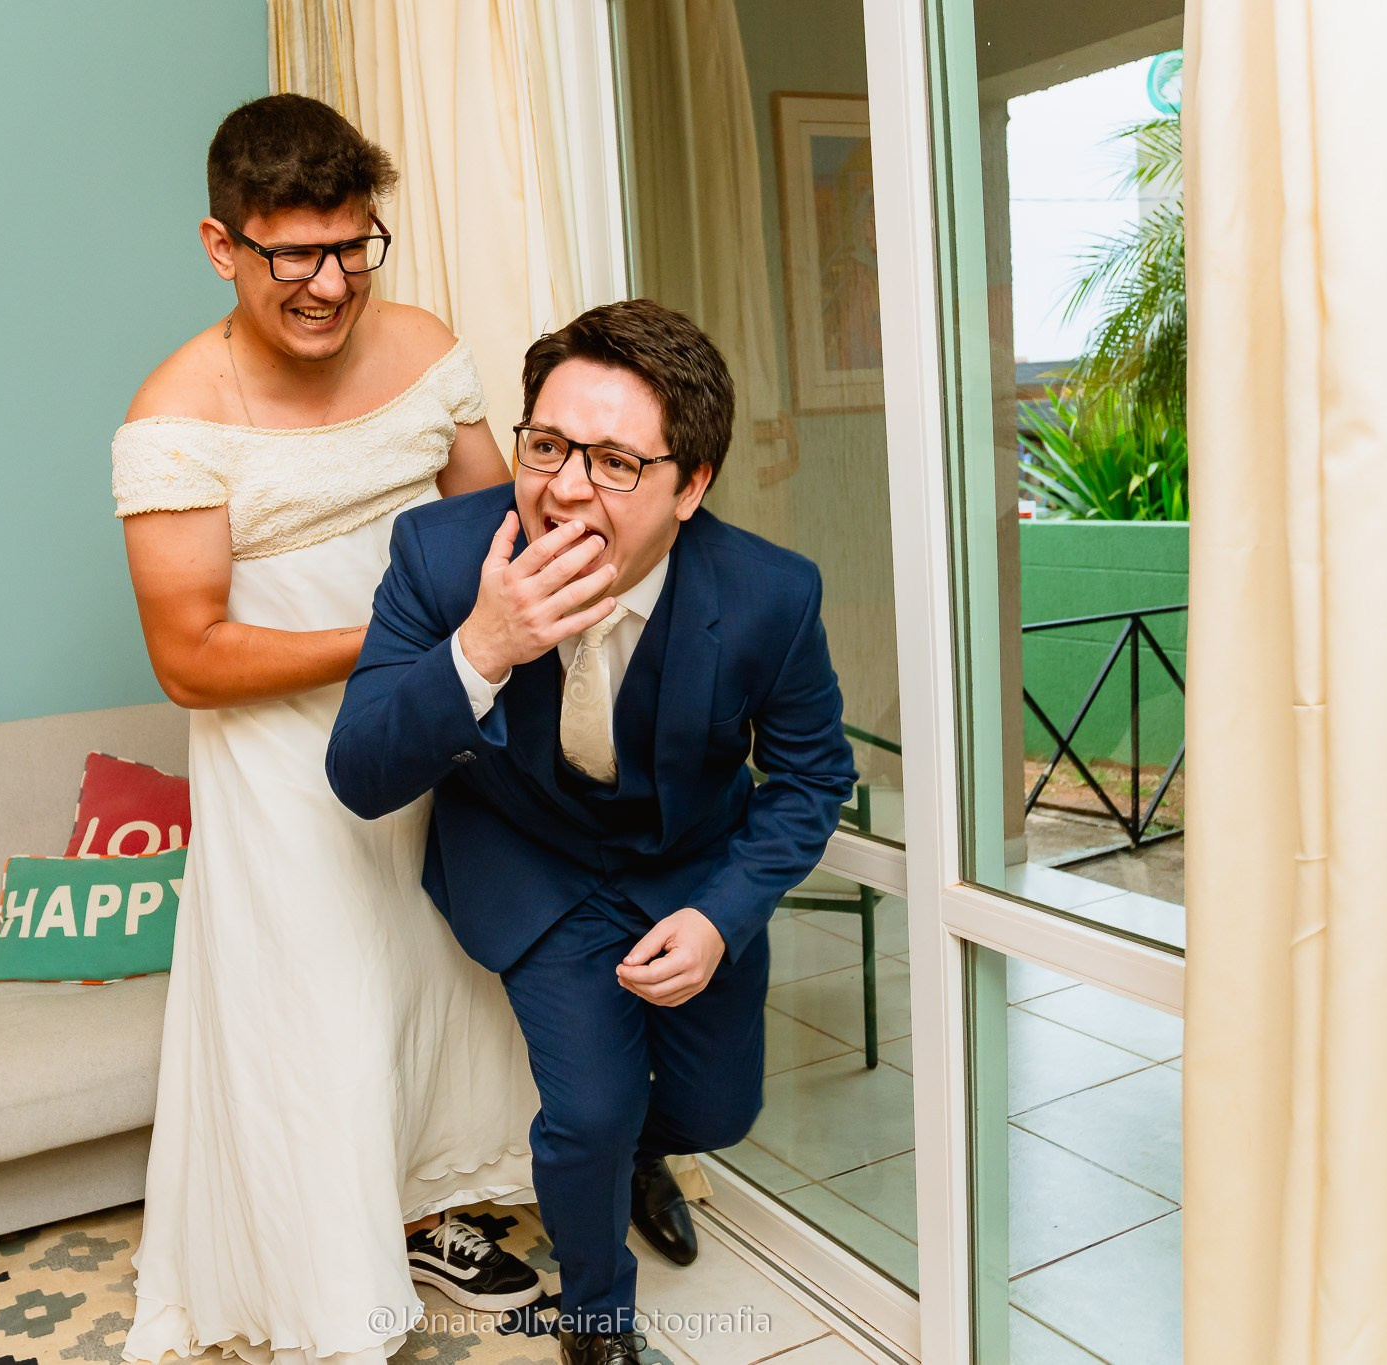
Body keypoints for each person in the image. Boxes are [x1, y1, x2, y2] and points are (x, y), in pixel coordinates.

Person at [325, 300, 859, 1365]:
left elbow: (810, 777)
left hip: (693, 874)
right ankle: (596, 1322)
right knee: (589, 1112)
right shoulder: (438, 560)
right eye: (548, 445)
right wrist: (482, 647)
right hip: (534, 869)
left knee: (716, 1108)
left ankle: (643, 1160)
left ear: (689, 486)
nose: (565, 487)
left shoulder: (768, 595)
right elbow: (359, 774)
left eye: (615, 463)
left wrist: (720, 916)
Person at [111, 94, 543, 1365]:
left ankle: (424, 1210)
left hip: (437, 735)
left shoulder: (419, 343)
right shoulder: (174, 413)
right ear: (220, 245)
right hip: (280, 771)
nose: (327, 283)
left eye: (351, 246)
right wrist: (411, 645)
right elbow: (188, 658)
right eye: (292, 253)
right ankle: (330, 1285)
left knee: (439, 979)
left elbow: (489, 524)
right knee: (326, 1011)